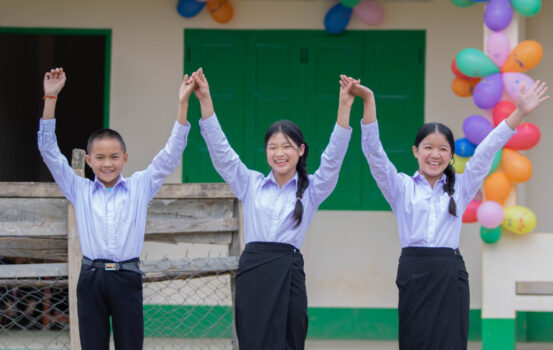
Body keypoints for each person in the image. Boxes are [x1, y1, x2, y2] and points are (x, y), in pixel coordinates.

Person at [345, 75, 549, 350]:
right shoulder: (400, 187)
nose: (434, 155)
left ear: (451, 156)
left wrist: (520, 112)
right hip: (413, 271)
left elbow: (487, 150)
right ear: (416, 151)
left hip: (449, 275)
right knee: (414, 342)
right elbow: (374, 153)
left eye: (443, 149)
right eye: (428, 147)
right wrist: (368, 100)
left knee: (450, 343)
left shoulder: (462, 187)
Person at [190, 67, 355, 349]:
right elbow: (222, 153)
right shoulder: (250, 184)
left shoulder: (313, 189)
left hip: (288, 271)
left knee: (290, 338)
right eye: (272, 147)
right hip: (253, 272)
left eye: (287, 147)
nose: (279, 153)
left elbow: (333, 158)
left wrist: (344, 107)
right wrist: (205, 100)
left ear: (301, 150)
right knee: (252, 340)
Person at [38, 67, 194, 350]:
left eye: (113, 157)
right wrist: (50, 97)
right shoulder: (79, 189)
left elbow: (171, 154)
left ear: (125, 158)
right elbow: (49, 152)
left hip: (127, 278)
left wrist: (182, 103)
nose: (107, 163)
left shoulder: (140, 186)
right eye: (99, 157)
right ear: (88, 160)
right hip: (91, 279)